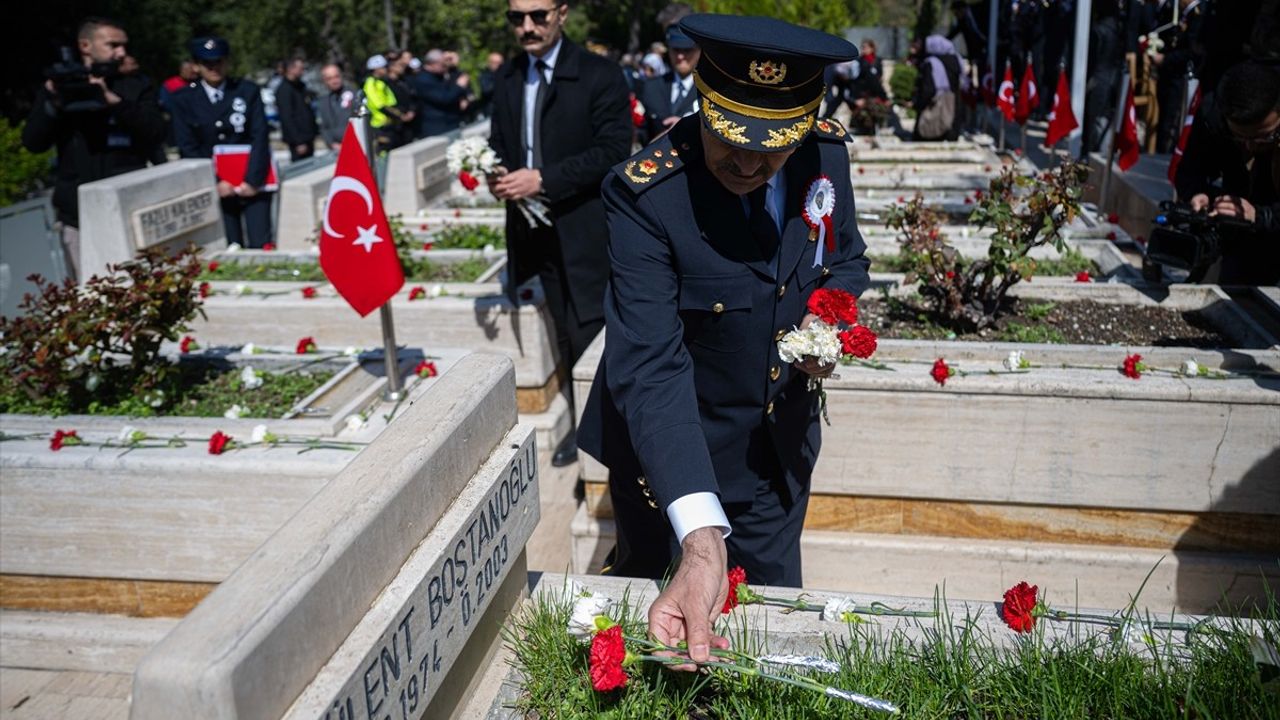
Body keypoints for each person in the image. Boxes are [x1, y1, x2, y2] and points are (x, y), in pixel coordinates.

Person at [578, 12, 869, 664]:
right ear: (704, 104)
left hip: (777, 447)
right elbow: (651, 365)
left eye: (772, 146)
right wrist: (702, 541)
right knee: (670, 637)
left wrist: (831, 327)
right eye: (731, 137)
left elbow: (844, 258)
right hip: (675, 457)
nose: (747, 161)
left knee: (769, 624)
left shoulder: (824, 153)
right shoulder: (648, 196)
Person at [487, 0, 631, 467]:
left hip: (585, 231)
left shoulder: (598, 73)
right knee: (563, 332)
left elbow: (613, 149)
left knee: (592, 331)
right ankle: (582, 423)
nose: (527, 27)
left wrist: (543, 179)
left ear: (562, 13)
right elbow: (499, 143)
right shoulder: (509, 77)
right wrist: (494, 174)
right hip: (534, 230)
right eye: (517, 18)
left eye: (538, 15)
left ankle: (606, 435)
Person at [21, 16, 165, 281]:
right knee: (90, 295)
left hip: (128, 208)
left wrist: (114, 102)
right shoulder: (61, 86)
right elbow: (33, 142)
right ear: (85, 46)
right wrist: (52, 104)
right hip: (77, 215)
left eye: (123, 45)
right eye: (112, 45)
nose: (121, 53)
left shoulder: (134, 85)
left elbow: (155, 133)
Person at [1174, 61, 1280, 284]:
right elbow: (1188, 172)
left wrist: (1260, 216)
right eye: (1241, 138)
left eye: (1265, 138)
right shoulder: (1212, 114)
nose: (1251, 147)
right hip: (1240, 239)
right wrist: (1199, 194)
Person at [169, 36, 273, 249]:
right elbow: (188, 145)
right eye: (207, 63)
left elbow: (260, 135)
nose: (214, 67)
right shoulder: (183, 99)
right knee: (228, 246)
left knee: (262, 244)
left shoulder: (246, 91)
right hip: (217, 184)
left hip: (252, 182)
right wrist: (214, 180)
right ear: (196, 66)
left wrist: (252, 181)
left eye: (219, 61)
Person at [635, 24, 699, 144]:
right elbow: (644, 129)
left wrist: (687, 125)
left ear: (699, 51)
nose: (680, 56)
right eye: (676, 50)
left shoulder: (709, 91)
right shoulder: (652, 86)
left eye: (687, 50)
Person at [913, 35, 962, 141]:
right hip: (952, 112)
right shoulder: (957, 61)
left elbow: (928, 89)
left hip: (934, 114)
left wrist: (917, 104)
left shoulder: (931, 63)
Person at [362, 53, 413, 152]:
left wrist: (401, 113)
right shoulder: (370, 84)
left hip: (391, 125)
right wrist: (400, 116)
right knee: (384, 154)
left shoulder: (382, 83)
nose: (386, 69)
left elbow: (392, 101)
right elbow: (380, 106)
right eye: (384, 67)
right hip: (380, 127)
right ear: (376, 69)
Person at [413, 49, 470, 137]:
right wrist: (459, 87)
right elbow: (444, 98)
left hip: (452, 122)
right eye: (443, 64)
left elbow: (455, 82)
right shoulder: (423, 79)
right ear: (432, 63)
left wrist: (454, 66)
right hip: (438, 127)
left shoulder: (439, 75)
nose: (446, 66)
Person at [275, 57, 318, 161]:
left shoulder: (300, 86)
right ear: (290, 69)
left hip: (308, 136)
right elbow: (287, 118)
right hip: (299, 141)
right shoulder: (284, 90)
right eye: (300, 68)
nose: (302, 71)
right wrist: (298, 141)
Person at [317, 63, 356, 153]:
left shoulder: (354, 95)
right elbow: (323, 127)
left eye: (336, 76)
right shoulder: (323, 101)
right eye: (329, 78)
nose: (334, 81)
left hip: (354, 146)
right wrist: (331, 143)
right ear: (324, 81)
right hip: (336, 149)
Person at [476, 51, 506, 119]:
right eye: (495, 63)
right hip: (491, 111)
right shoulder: (484, 75)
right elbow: (486, 89)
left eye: (500, 63)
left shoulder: (505, 75)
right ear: (489, 63)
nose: (499, 65)